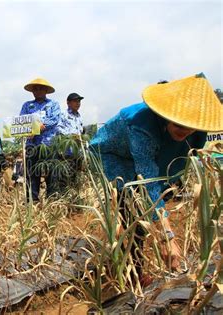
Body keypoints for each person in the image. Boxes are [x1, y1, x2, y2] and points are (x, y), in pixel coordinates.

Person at [90, 73, 222, 279]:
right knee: (134, 206)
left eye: (190, 126)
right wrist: (167, 237)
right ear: (165, 115)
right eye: (178, 124)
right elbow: (147, 181)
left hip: (156, 152)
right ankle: (133, 271)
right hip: (115, 156)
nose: (185, 130)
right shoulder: (140, 126)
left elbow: (186, 160)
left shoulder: (195, 129)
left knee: (160, 197)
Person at [19, 78, 61, 202]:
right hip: (32, 145)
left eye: (40, 88)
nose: (37, 91)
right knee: (32, 174)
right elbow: (22, 120)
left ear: (46, 90)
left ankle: (52, 202)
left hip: (49, 144)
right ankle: (32, 202)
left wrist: (39, 126)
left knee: (51, 173)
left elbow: (54, 119)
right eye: (35, 89)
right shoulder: (27, 105)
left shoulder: (53, 104)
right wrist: (28, 129)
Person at [55, 92, 85, 190]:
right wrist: (71, 136)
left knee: (75, 176)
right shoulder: (63, 114)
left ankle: (74, 197)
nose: (78, 103)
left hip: (77, 152)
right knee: (64, 176)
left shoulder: (79, 116)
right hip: (66, 151)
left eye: (79, 101)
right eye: (75, 101)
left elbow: (80, 131)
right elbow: (58, 128)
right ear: (68, 103)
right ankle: (64, 198)